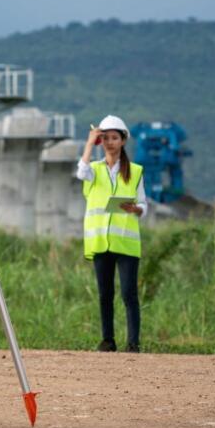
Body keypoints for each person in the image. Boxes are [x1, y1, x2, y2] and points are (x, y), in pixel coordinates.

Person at [77, 114, 147, 353]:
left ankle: (133, 343)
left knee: (129, 294)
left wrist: (135, 209)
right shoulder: (94, 170)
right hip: (100, 242)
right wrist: (89, 143)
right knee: (105, 294)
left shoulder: (135, 172)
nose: (109, 142)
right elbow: (80, 172)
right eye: (105, 138)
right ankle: (108, 340)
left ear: (123, 141)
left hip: (126, 242)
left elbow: (144, 205)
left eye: (114, 138)